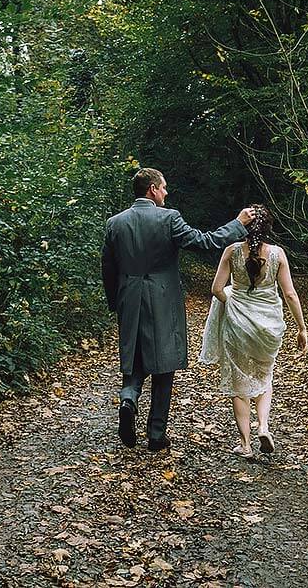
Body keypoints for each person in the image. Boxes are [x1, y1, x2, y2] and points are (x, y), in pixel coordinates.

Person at [102, 168, 256, 451]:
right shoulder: (169, 218)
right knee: (164, 363)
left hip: (129, 299)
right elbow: (204, 242)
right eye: (163, 187)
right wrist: (237, 224)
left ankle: (128, 399)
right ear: (152, 189)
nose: (166, 192)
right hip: (162, 300)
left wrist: (117, 302)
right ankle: (156, 434)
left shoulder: (115, 223)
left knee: (134, 360)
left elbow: (108, 269)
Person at [198, 204, 308, 457]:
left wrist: (233, 304)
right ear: (268, 227)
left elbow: (216, 289)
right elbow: (289, 294)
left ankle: (245, 445)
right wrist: (301, 328)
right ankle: (264, 427)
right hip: (268, 325)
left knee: (239, 382)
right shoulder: (277, 254)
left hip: (237, 324)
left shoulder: (232, 251)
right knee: (264, 375)